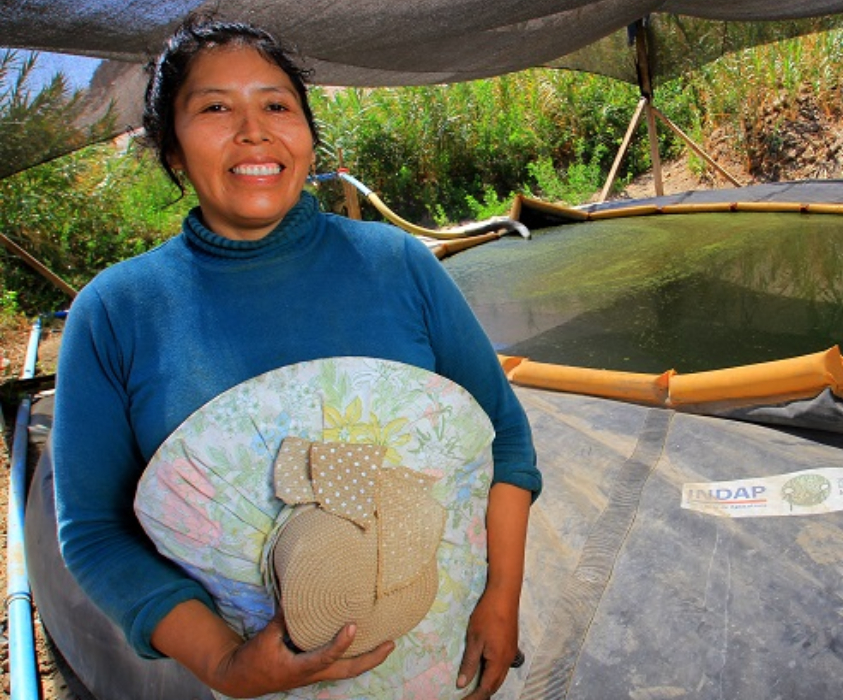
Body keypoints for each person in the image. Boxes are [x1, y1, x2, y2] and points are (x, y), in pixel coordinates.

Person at [52, 16, 540, 699]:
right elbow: (96, 532)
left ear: (307, 137)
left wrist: (501, 599)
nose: (254, 130)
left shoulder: (397, 264)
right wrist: (225, 662)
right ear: (170, 151)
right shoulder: (116, 312)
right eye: (215, 107)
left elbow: (506, 438)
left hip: (444, 648)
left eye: (277, 105)